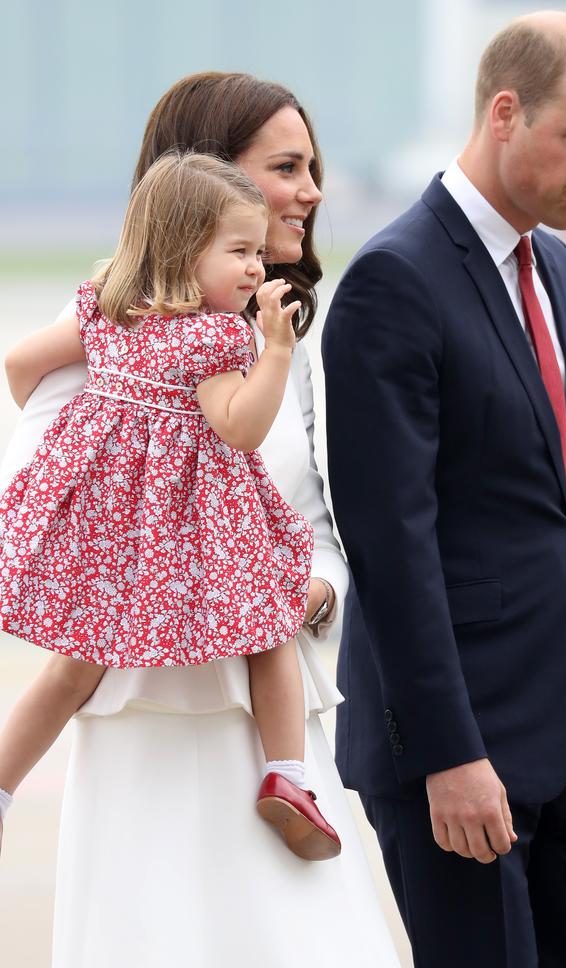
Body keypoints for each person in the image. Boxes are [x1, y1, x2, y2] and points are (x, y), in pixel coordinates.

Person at [0, 73, 412, 968]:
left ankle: (287, 783)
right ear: (201, 193)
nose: (311, 191)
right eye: (287, 167)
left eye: (314, 166)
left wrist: (315, 586)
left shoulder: (268, 339)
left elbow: (316, 525)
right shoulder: (108, 339)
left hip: (271, 719)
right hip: (151, 728)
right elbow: (44, 446)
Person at [323, 11, 566, 968]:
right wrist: (447, 753)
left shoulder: (553, 264)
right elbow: (390, 547)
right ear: (503, 113)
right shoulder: (393, 281)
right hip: (455, 750)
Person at [0, 150, 341, 862]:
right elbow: (239, 426)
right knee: (270, 623)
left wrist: (83, 427)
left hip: (111, 522)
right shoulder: (219, 336)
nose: (257, 268)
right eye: (241, 251)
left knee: (73, 665)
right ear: (185, 249)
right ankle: (287, 776)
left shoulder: (106, 310)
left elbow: (21, 363)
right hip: (193, 524)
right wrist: (273, 351)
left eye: (258, 252)